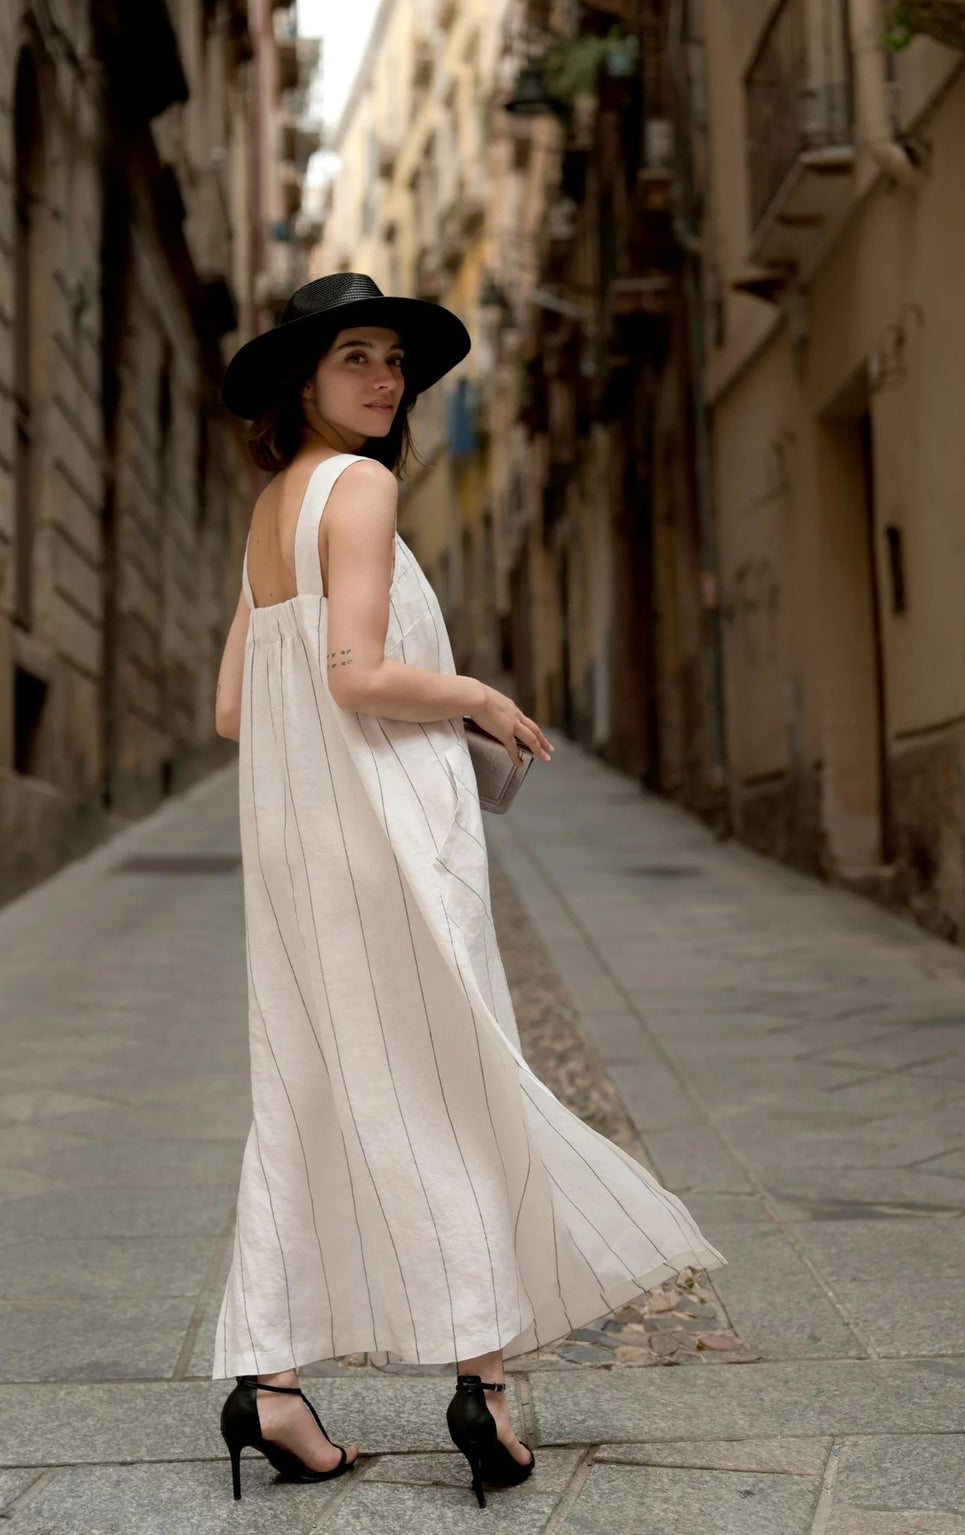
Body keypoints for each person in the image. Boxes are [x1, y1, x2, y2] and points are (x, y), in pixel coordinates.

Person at [211, 272, 726, 1506]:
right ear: (302, 380)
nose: (385, 381)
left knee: (308, 1097)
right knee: (446, 1086)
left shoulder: (272, 509)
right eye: (356, 358)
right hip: (379, 841)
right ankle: (481, 1387)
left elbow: (238, 707)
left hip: (291, 849)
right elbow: (357, 674)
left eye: (394, 359)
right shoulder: (366, 487)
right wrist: (480, 698)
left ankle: (270, 1388)